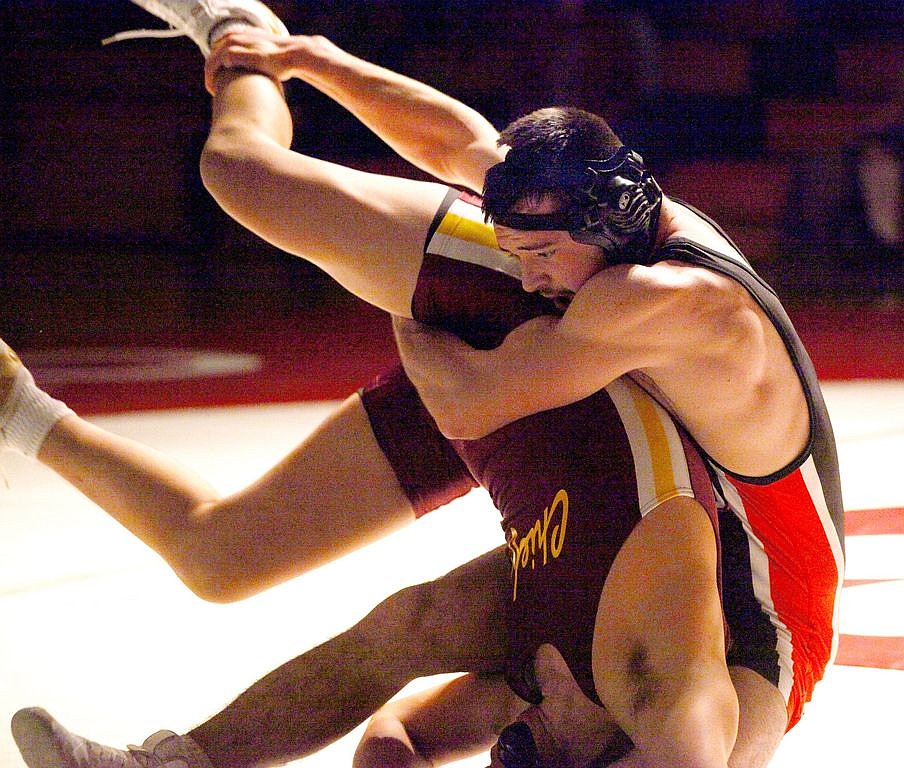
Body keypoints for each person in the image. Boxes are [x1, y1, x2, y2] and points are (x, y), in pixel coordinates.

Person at [6, 1, 844, 766]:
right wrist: (411, 305)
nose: (515, 728)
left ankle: (15, 405)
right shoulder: (634, 291)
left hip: (593, 418)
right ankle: (240, 34)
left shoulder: (555, 689)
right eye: (527, 740)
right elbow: (468, 397)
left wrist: (328, 63)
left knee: (226, 558)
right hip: (563, 391)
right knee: (241, 176)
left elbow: (475, 152)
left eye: (509, 739)